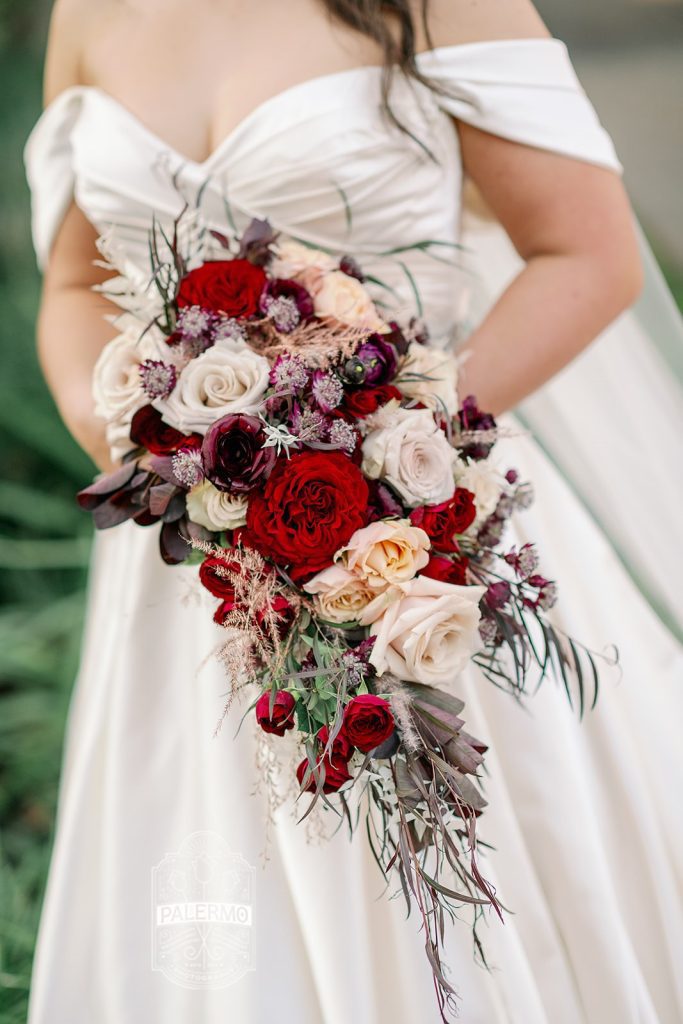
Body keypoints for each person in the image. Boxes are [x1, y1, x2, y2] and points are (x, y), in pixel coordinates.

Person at [23, 1, 683, 1021]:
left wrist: (386, 455)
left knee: (479, 890)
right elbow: (72, 286)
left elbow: (587, 254)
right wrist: (147, 446)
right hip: (193, 571)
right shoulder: (91, 9)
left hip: (427, 539)